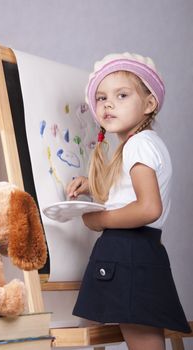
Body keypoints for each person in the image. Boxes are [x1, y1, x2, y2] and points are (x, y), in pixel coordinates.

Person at [66, 53, 191, 350]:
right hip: (138, 251)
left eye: (122, 95)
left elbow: (148, 208)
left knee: (144, 344)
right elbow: (132, 198)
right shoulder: (143, 144)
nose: (108, 104)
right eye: (101, 97)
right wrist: (95, 192)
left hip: (128, 251)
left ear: (149, 104)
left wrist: (99, 220)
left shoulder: (137, 145)